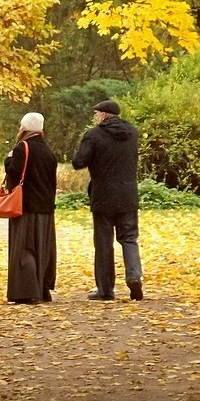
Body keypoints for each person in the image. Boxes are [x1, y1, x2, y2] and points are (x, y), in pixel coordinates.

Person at [71, 99, 144, 301]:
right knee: (129, 238)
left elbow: (79, 162)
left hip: (103, 196)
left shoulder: (94, 135)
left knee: (104, 243)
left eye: (96, 114)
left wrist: (77, 151)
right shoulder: (132, 133)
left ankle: (105, 289)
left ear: (104, 115)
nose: (95, 117)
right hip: (128, 195)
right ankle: (134, 276)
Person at [4, 112, 57, 304]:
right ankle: (43, 288)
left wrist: (8, 160)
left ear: (24, 128)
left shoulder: (22, 148)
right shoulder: (48, 152)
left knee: (25, 248)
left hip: (25, 206)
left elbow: (14, 174)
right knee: (42, 248)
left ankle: (26, 291)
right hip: (45, 207)